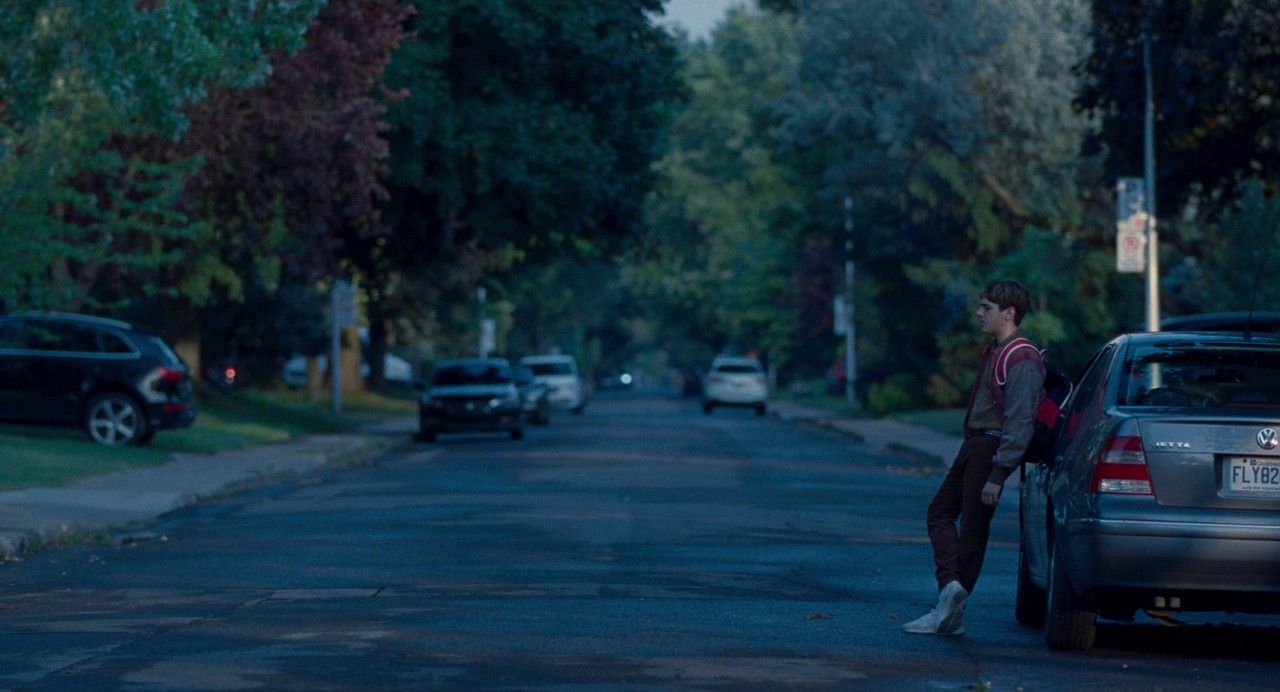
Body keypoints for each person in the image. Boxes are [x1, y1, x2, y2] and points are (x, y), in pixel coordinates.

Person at [902, 279, 1045, 635]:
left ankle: (949, 608)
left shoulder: (1021, 356)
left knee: (973, 531)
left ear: (1009, 314)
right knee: (940, 513)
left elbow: (1021, 420)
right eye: (980, 307)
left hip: (990, 448)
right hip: (976, 444)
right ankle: (950, 595)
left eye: (987, 308)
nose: (979, 313)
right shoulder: (997, 350)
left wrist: (999, 474)